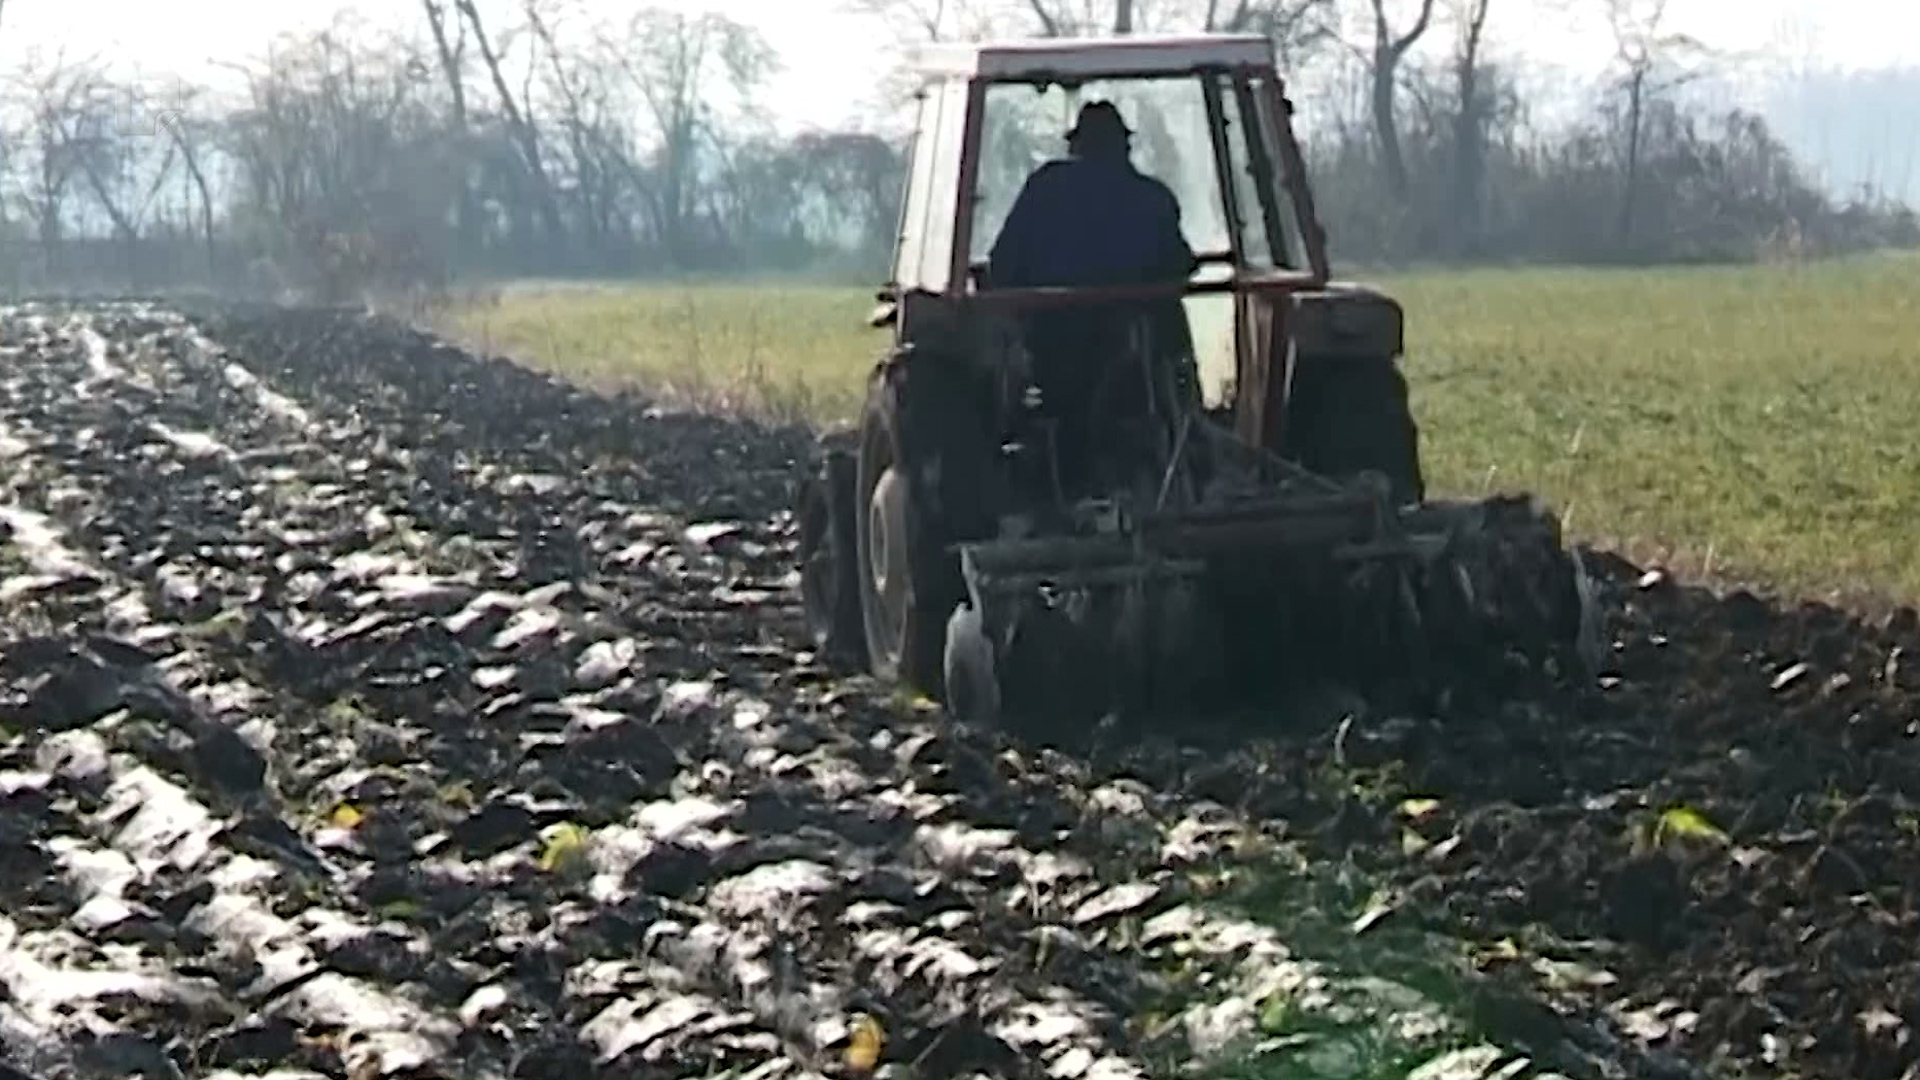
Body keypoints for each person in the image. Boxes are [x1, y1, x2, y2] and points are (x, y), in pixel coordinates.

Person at [986, 100, 1199, 497]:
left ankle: (1056, 481)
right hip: (1146, 348)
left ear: (1077, 146)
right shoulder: (1154, 197)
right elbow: (1179, 264)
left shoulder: (1046, 188)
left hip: (1058, 348)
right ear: (1124, 146)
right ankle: (1191, 454)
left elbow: (1003, 266)